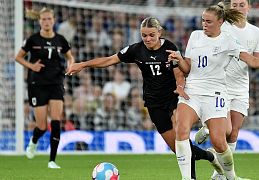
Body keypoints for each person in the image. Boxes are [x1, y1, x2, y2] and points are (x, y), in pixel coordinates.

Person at [66, 17, 221, 179]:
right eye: (144, 35)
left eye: (151, 35)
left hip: (174, 98)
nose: (147, 39)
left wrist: (180, 87)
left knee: (181, 136)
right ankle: (210, 156)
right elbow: (110, 60)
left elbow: (179, 73)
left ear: (159, 32)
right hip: (153, 103)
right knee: (179, 148)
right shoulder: (136, 50)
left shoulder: (169, 48)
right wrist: (83, 64)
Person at [166, 2, 259, 179]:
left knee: (220, 141)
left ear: (221, 22)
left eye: (209, 21)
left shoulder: (229, 41)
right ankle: (186, 178)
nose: (204, 24)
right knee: (181, 130)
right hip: (193, 92)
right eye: (203, 20)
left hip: (216, 94)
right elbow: (187, 68)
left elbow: (251, 60)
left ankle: (230, 177)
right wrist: (179, 59)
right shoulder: (195, 36)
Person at [195, 0, 259, 173]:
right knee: (225, 130)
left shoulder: (256, 32)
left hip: (241, 87)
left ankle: (219, 175)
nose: (238, 8)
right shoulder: (224, 27)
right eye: (234, 5)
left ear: (249, 7)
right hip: (221, 84)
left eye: (241, 4)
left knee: (233, 133)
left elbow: (257, 58)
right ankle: (209, 128)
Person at [15, 7, 75, 169]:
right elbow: (18, 57)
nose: (46, 22)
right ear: (39, 21)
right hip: (37, 84)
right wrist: (31, 66)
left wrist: (71, 66)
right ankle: (33, 142)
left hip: (56, 83)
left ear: (54, 21)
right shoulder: (33, 40)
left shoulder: (61, 40)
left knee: (56, 121)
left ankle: (52, 161)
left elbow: (70, 57)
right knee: (41, 126)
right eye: (43, 19)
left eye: (49, 19)